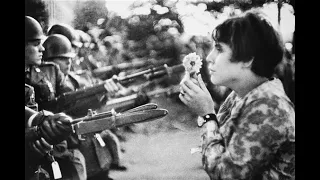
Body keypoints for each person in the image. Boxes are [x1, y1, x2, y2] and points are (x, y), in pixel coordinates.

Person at [179, 9, 295, 180]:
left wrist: (206, 115)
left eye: (219, 49)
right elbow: (218, 143)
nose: (210, 57)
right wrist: (203, 103)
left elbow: (226, 174)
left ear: (248, 59)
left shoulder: (268, 105)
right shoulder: (241, 95)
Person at [42, 33, 133, 179]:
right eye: (63, 59)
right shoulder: (48, 84)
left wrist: (102, 94)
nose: (69, 62)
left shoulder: (68, 78)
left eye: (70, 58)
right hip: (69, 140)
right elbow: (69, 108)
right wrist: (99, 96)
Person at [25, 15, 87, 180]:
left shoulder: (38, 78)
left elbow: (66, 100)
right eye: (36, 44)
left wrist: (40, 123)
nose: (42, 49)